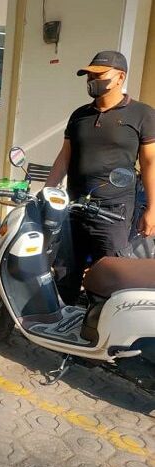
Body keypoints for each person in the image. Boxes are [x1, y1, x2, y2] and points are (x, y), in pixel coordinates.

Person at [46, 51, 155, 305]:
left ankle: (102, 332)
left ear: (120, 77)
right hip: (74, 209)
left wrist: (152, 207)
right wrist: (47, 192)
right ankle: (66, 327)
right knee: (65, 271)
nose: (91, 80)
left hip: (113, 213)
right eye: (89, 75)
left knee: (110, 276)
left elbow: (150, 163)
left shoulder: (142, 115)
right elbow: (64, 157)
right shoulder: (79, 115)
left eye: (98, 75)